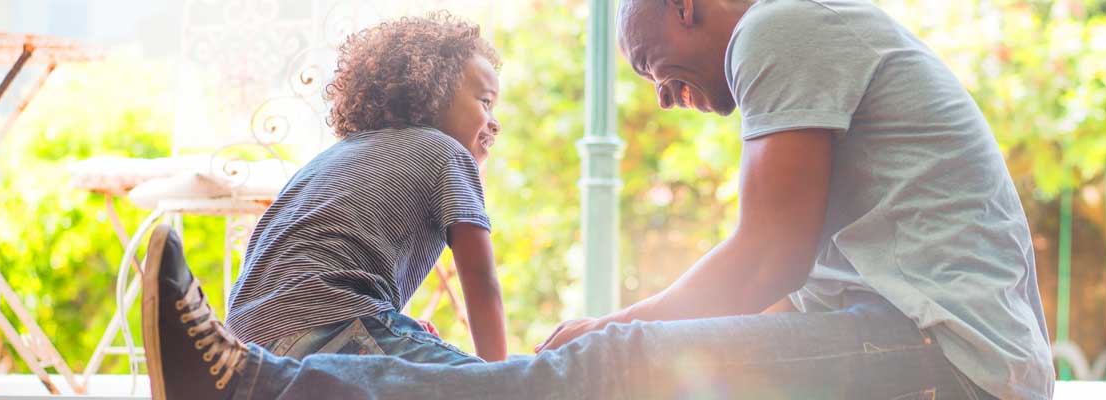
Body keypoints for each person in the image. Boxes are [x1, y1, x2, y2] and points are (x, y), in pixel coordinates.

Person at [141, 1, 1054, 399]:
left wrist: (616, 331)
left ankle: (254, 387)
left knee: (617, 369)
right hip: (937, 351)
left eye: (654, 63)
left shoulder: (783, 25)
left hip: (942, 356)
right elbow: (791, 291)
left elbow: (764, 259)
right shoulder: (813, 33)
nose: (661, 93)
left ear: (688, 4)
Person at [223, 11, 508, 365]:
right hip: (333, 321)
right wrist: (499, 374)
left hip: (246, 344)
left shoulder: (332, 157)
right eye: (486, 102)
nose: (495, 123)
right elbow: (481, 279)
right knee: (485, 380)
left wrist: (395, 329)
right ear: (435, 92)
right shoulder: (446, 153)